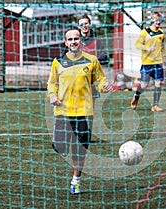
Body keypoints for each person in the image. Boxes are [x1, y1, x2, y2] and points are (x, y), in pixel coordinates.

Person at [47, 28, 112, 195]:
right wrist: (53, 96)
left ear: (80, 41)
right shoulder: (58, 61)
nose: (74, 41)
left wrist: (104, 87)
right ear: (66, 42)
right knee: (60, 147)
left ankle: (76, 180)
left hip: (84, 112)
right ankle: (64, 144)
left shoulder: (91, 61)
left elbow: (99, 80)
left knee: (79, 150)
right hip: (62, 111)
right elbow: (52, 83)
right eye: (70, 39)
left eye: (76, 38)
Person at [130, 11, 166, 112]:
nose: (158, 22)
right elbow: (137, 44)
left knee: (158, 83)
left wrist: (165, 58)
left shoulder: (161, 33)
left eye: (160, 20)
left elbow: (163, 47)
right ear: (152, 20)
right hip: (147, 63)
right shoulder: (145, 32)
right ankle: (136, 96)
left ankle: (155, 105)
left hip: (158, 63)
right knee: (144, 85)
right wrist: (147, 48)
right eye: (156, 20)